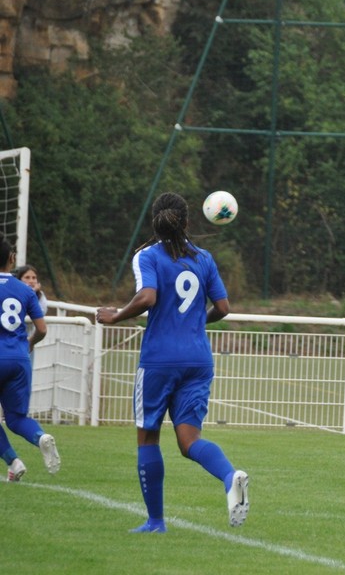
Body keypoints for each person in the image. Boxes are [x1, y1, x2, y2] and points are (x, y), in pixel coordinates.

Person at [96, 192, 248, 533]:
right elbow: (223, 308)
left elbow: (147, 296)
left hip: (159, 360)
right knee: (189, 440)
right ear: (187, 222)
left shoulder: (146, 256)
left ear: (155, 221)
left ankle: (155, 522)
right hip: (198, 359)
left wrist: (116, 316)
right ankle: (229, 477)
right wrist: (194, 322)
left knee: (148, 438)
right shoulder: (204, 257)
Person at [0, 238, 60, 482]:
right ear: (12, 259)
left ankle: (14, 460)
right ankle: (40, 437)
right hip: (18, 357)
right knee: (16, 418)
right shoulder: (25, 290)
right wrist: (29, 344)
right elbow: (42, 329)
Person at [14, 264, 48, 356]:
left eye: (34, 278)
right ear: (19, 279)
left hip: (27, 339)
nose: (31, 281)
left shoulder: (40, 295)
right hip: (12, 339)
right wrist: (31, 292)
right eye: (27, 277)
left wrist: (32, 293)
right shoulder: (13, 292)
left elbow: (41, 312)